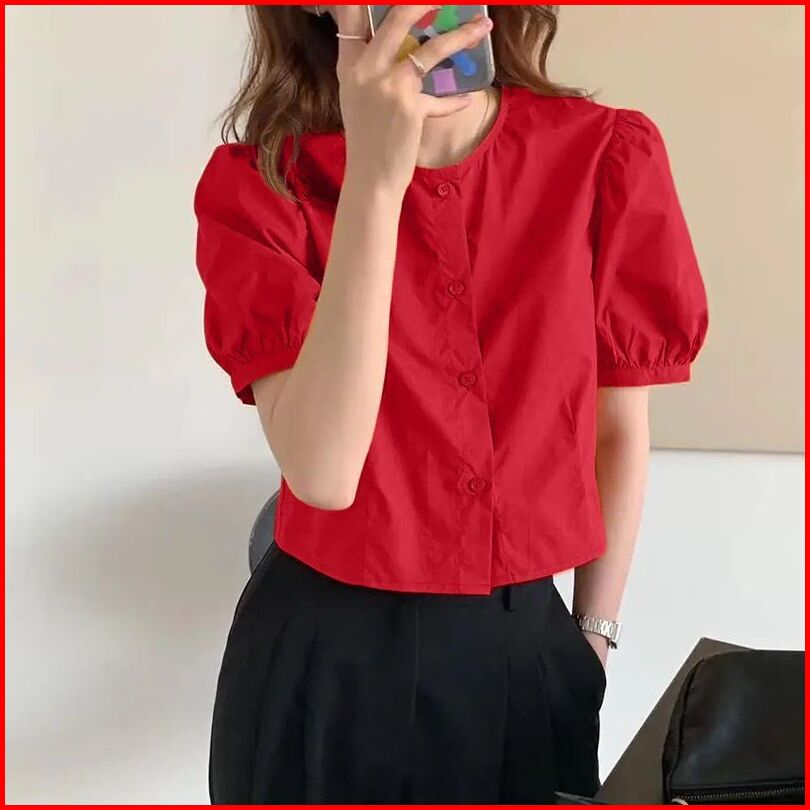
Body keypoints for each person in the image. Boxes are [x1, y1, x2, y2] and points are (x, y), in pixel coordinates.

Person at [193, 5, 709, 805]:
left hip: (525, 656)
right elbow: (324, 473)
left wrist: (593, 637)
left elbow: (618, 430)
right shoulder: (263, 187)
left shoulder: (604, 156)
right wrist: (376, 177)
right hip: (322, 662)